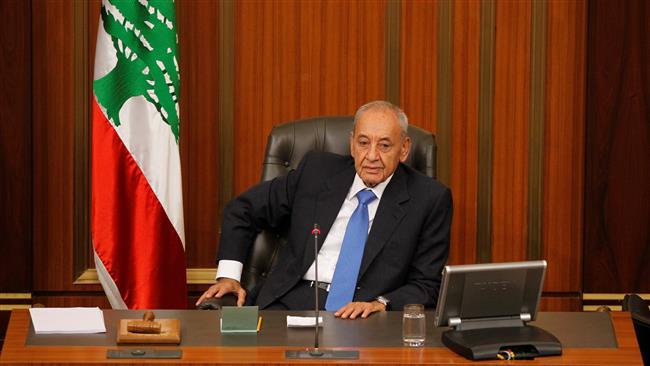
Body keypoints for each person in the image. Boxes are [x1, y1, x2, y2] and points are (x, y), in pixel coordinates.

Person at [196, 100, 452, 319]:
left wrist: (381, 304)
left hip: (365, 314)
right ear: (352, 144)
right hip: (289, 302)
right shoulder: (316, 172)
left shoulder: (429, 199)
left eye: (385, 145)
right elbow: (243, 209)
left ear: (404, 148)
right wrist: (228, 277)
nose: (372, 156)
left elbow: (427, 284)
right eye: (364, 143)